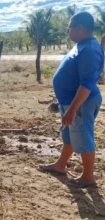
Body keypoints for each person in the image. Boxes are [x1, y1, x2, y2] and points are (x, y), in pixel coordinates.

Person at [39, 12, 104, 188]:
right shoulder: (83, 45)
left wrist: (73, 109)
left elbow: (86, 84)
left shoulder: (89, 49)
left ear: (80, 28)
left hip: (81, 103)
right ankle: (60, 165)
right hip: (71, 102)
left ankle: (88, 177)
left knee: (84, 136)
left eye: (69, 29)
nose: (68, 33)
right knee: (69, 135)